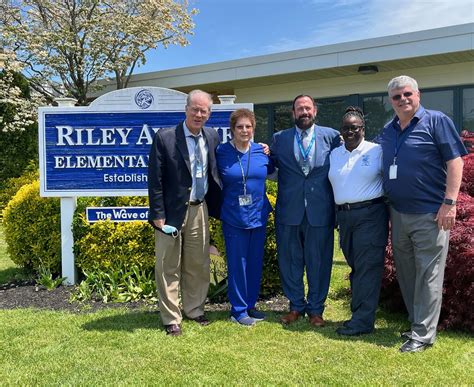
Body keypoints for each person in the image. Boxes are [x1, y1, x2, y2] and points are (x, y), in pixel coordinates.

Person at [377, 75, 467, 352]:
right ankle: (417, 323)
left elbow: (455, 160)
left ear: (418, 95)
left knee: (429, 273)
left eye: (407, 94)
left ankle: (423, 335)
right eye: (396, 97)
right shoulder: (388, 129)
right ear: (390, 101)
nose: (403, 100)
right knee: (407, 273)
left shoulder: (436, 121)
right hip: (398, 213)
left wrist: (449, 203)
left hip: (431, 213)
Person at [148, 90, 222, 336]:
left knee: (198, 264)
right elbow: (155, 180)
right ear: (186, 109)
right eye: (195, 109)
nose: (199, 114)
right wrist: (157, 214)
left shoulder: (212, 136)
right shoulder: (166, 137)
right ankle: (171, 318)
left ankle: (195, 309)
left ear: (209, 114)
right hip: (170, 213)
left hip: (199, 208)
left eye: (204, 111)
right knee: (168, 265)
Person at [270, 94, 341, 326]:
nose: (304, 112)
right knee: (290, 261)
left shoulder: (331, 137)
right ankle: (295, 306)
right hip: (289, 211)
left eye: (307, 108)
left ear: (315, 111)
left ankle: (316, 309)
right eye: (299, 109)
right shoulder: (279, 139)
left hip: (320, 211)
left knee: (319, 261)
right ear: (293, 113)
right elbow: (269, 165)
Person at [328, 106, 388, 336]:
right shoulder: (335, 153)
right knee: (356, 266)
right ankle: (359, 314)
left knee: (367, 268)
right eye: (345, 128)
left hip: (370, 215)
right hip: (344, 217)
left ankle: (363, 321)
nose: (350, 131)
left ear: (363, 129)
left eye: (354, 127)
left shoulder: (376, 151)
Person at [216, 108, 274, 326]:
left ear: (253, 129)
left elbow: (274, 169)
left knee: (254, 263)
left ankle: (250, 305)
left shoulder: (261, 151)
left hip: (258, 215)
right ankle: (238, 310)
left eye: (248, 126)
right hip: (234, 216)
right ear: (232, 130)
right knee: (237, 263)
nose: (244, 130)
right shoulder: (221, 152)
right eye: (239, 127)